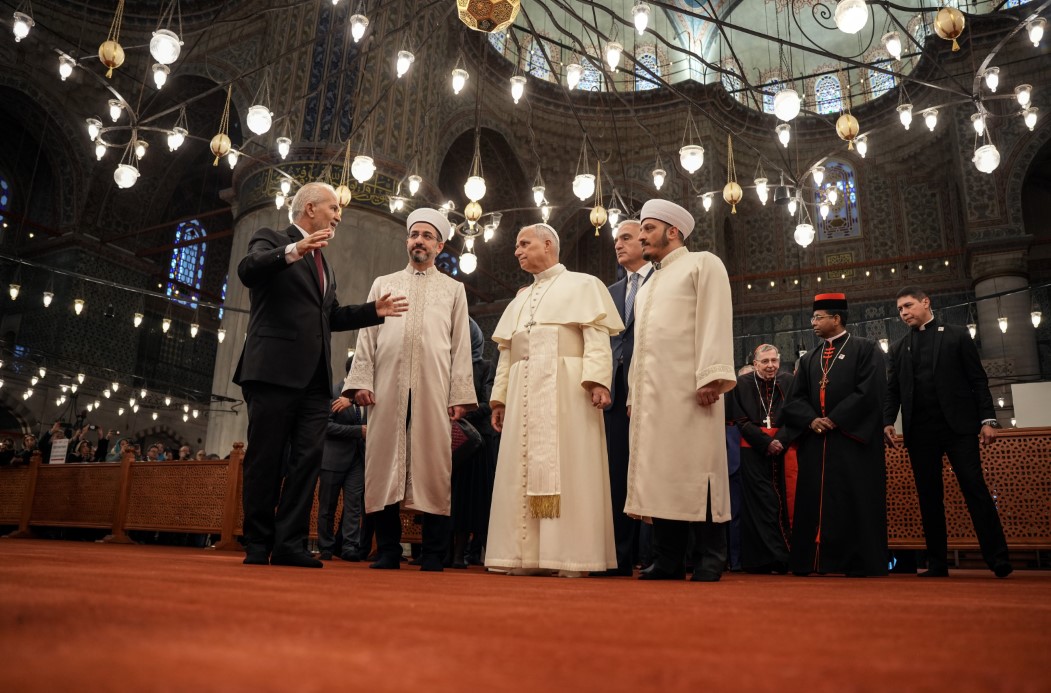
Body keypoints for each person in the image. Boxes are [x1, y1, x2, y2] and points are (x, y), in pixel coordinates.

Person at [233, 181, 407, 569]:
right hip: (272, 372)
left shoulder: (324, 264)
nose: (338, 216)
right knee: (266, 460)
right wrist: (293, 250)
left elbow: (330, 316)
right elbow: (248, 270)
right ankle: (258, 543)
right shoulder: (271, 238)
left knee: (307, 462)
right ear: (310, 208)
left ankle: (290, 543)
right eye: (333, 208)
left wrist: (372, 311)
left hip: (314, 383)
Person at [486, 223, 624, 577]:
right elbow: (506, 353)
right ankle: (524, 556)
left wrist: (597, 382)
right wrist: (499, 399)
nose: (516, 251)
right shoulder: (518, 299)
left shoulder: (584, 285)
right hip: (522, 393)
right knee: (520, 468)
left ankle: (570, 557)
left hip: (568, 390)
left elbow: (596, 339)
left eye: (523, 243)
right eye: (516, 245)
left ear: (548, 244)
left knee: (570, 464)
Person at [344, 207, 476, 572]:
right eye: (414, 234)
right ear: (407, 240)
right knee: (383, 462)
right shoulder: (383, 283)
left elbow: (460, 344)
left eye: (427, 236)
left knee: (434, 466)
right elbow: (367, 335)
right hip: (386, 388)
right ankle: (387, 550)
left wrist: (459, 395)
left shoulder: (453, 289)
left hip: (433, 390)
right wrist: (360, 382)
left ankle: (434, 553)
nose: (419, 240)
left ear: (440, 245)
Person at [625, 199, 736, 583]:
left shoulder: (703, 263)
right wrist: (632, 395)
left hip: (692, 389)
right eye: (640, 230)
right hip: (653, 397)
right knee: (660, 474)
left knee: (698, 468)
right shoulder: (648, 284)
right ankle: (668, 558)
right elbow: (640, 344)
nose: (641, 237)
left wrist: (712, 375)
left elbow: (714, 318)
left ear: (673, 231)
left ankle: (710, 557)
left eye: (648, 229)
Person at [883, 286, 1012, 578]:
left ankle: (998, 559)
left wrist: (988, 420)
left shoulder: (956, 334)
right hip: (920, 432)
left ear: (925, 302)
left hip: (959, 429)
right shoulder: (898, 347)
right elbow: (893, 391)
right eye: (900, 309)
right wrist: (888, 420)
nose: (903, 313)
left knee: (975, 491)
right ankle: (937, 564)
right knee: (928, 498)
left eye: (908, 305)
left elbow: (978, 380)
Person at [783, 293, 888, 577]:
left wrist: (835, 419)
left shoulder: (866, 348)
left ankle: (856, 562)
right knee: (813, 501)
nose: (813, 323)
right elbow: (795, 400)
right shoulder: (809, 360)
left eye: (818, 318)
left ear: (837, 319)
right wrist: (812, 420)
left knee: (853, 501)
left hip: (852, 442)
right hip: (817, 442)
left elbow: (870, 392)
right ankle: (814, 561)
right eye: (813, 318)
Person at [597, 219, 653, 577]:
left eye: (627, 238)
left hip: (650, 386)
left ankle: (653, 553)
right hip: (616, 392)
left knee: (650, 470)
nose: (619, 245)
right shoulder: (610, 290)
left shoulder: (663, 281)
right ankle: (618, 554)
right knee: (616, 473)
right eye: (616, 239)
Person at [732, 344, 799, 573]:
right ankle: (760, 560)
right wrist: (765, 442)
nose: (771, 366)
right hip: (752, 448)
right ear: (755, 364)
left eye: (774, 361)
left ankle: (783, 557)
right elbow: (739, 418)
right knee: (759, 503)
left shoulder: (789, 381)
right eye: (765, 362)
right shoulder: (741, 384)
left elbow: (796, 414)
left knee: (780, 501)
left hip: (782, 447)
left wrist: (779, 440)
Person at [454, 317, 496, 568]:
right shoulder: (448, 366)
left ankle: (485, 555)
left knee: (479, 501)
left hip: (478, 444)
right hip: (453, 445)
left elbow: (488, 403)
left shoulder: (485, 367)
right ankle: (452, 554)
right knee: (456, 500)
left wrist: (461, 411)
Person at [318, 356, 367, 563]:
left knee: (354, 506)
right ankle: (326, 547)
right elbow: (325, 427)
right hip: (334, 458)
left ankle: (349, 547)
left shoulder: (366, 395)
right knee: (327, 506)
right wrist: (357, 431)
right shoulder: (334, 391)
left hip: (358, 459)